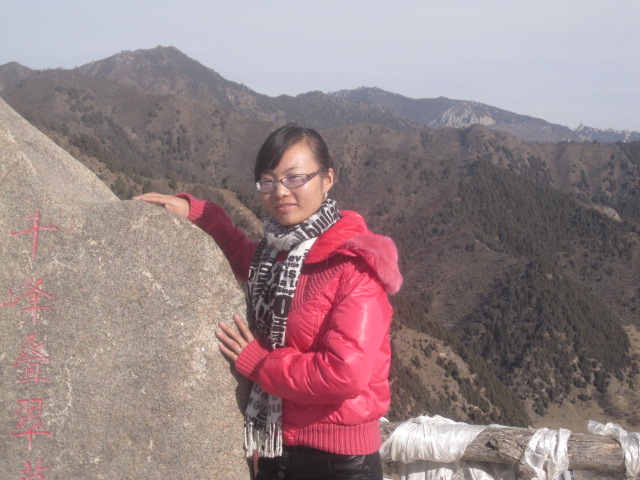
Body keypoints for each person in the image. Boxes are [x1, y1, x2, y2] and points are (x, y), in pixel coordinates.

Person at [134, 124, 402, 480]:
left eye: (295, 178)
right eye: (268, 181)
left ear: (327, 179)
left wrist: (260, 363)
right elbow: (240, 252)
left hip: (338, 462)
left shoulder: (355, 266)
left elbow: (345, 374)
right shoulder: (276, 255)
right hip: (276, 447)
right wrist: (198, 213)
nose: (280, 192)